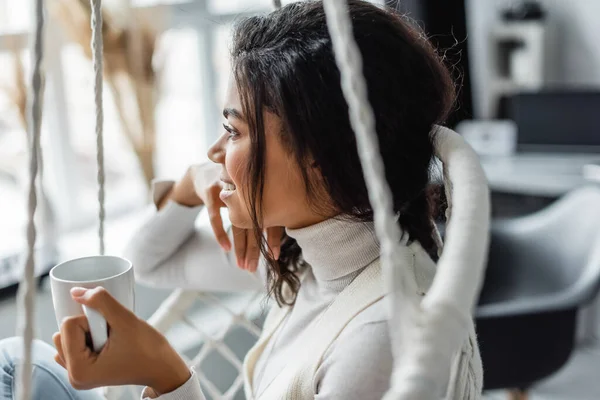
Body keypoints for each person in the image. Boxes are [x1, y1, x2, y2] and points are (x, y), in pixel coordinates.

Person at [0, 1, 483, 399]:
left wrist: (168, 376)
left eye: (232, 131)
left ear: (320, 156)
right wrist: (191, 187)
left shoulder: (376, 340)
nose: (213, 153)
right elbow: (147, 262)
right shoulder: (307, 253)